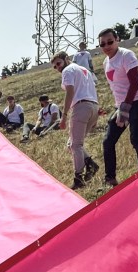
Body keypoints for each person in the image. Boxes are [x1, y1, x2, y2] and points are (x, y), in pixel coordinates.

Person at [98, 27, 138, 187]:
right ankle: (110, 179)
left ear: (117, 39)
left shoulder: (126, 55)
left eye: (110, 42)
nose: (107, 46)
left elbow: (135, 83)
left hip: (136, 102)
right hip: (120, 106)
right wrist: (118, 108)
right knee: (108, 141)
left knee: (136, 139)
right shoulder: (106, 62)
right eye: (102, 44)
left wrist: (125, 108)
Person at [51, 50, 101, 190]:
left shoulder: (68, 70)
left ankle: (78, 178)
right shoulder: (84, 70)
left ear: (66, 59)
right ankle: (90, 164)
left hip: (81, 107)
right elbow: (92, 89)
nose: (58, 68)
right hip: (93, 106)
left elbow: (70, 92)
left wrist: (64, 115)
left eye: (58, 64)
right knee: (71, 145)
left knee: (76, 145)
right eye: (55, 67)